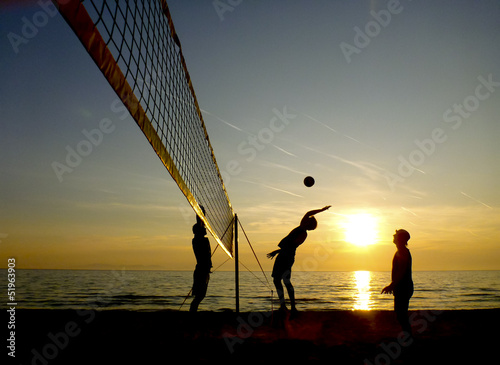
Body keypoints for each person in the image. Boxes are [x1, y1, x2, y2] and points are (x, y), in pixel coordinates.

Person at [267, 206, 331, 316]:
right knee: (277, 280)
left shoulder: (303, 234)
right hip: (283, 254)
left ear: (309, 225)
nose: (305, 220)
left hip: (286, 256)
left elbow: (290, 247)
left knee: (285, 281)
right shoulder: (301, 227)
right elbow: (308, 213)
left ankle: (292, 307)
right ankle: (284, 306)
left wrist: (276, 252)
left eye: (307, 221)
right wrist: (321, 210)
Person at [382, 229, 414, 336]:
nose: (393, 236)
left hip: (404, 287)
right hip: (401, 287)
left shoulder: (403, 252)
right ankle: (407, 336)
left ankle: (408, 337)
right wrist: (394, 286)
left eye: (395, 235)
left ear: (400, 238)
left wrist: (392, 285)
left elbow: (402, 271)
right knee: (400, 314)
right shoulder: (400, 251)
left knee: (401, 314)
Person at [190, 207, 212, 312]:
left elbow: (201, 224)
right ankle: (192, 312)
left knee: (201, 295)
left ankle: (193, 311)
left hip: (203, 269)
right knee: (200, 295)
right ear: (198, 231)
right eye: (203, 228)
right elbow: (200, 222)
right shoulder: (197, 240)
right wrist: (200, 213)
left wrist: (203, 215)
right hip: (201, 270)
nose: (205, 229)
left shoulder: (199, 239)